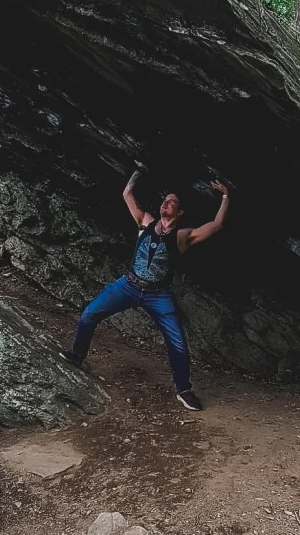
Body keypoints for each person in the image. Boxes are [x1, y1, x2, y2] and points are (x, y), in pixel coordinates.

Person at [62, 166, 230, 410]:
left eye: (171, 202)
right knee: (89, 314)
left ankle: (184, 390)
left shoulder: (182, 237)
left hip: (158, 295)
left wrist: (225, 196)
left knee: (179, 344)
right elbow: (127, 194)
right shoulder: (145, 222)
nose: (166, 204)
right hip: (128, 285)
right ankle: (77, 355)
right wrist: (138, 172)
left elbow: (216, 225)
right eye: (164, 200)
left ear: (179, 211)